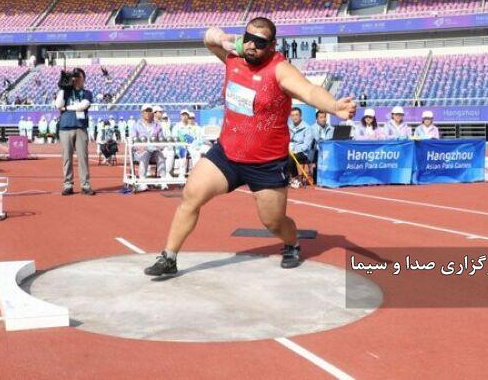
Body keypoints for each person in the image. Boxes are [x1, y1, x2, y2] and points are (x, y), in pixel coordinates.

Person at [144, 17, 355, 277]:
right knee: (191, 196)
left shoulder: (280, 70)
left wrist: (334, 106)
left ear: (273, 45)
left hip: (265, 163)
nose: (253, 46)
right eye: (249, 39)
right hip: (227, 154)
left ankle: (292, 243)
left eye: (261, 42)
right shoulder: (233, 57)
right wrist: (227, 40)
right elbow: (208, 36)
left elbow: (309, 91)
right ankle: (169, 257)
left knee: (274, 222)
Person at [54, 68, 95, 196]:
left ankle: (85, 185)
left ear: (83, 78)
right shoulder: (65, 92)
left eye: (78, 76)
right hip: (65, 127)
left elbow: (83, 105)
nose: (76, 79)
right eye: (74, 76)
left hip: (80, 127)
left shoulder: (87, 92)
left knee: (83, 157)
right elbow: (57, 104)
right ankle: (68, 184)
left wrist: (66, 108)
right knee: (67, 158)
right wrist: (62, 88)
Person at [132, 104, 168, 192]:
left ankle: (163, 181)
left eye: (150, 111)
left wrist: (160, 147)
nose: (148, 113)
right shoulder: (136, 125)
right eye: (146, 111)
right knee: (145, 155)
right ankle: (142, 182)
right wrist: (139, 147)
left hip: (154, 150)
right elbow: (133, 140)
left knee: (161, 157)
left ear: (152, 113)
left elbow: (161, 139)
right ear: (142, 113)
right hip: (141, 151)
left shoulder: (158, 126)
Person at [288, 107, 313, 188]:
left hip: (303, 152)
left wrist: (295, 149)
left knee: (291, 157)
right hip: (290, 150)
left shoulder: (307, 128)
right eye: (293, 115)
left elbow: (306, 145)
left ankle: (296, 179)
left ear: (300, 115)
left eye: (297, 115)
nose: (295, 117)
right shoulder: (289, 126)